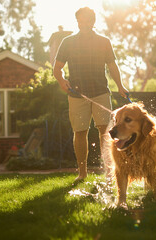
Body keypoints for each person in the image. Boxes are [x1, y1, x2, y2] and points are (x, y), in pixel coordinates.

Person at [53, 7, 129, 181]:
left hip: (101, 92)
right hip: (77, 95)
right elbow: (57, 69)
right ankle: (82, 173)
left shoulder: (103, 41)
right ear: (77, 21)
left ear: (93, 22)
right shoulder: (68, 42)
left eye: (87, 20)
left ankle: (109, 172)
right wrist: (61, 81)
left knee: (106, 132)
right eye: (80, 21)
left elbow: (112, 66)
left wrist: (120, 85)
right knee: (80, 132)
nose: (83, 24)